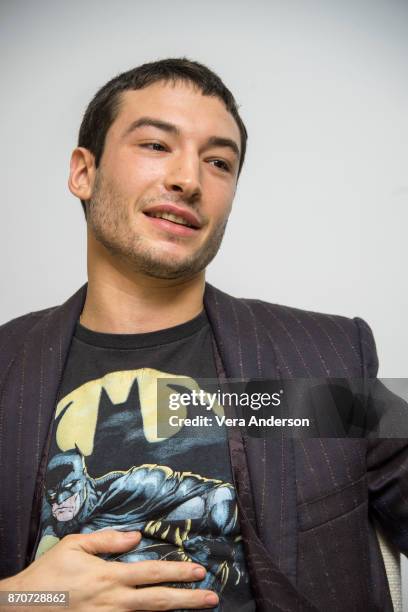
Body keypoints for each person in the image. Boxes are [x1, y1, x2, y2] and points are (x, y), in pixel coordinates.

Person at [0, 58, 406, 612]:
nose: (188, 180)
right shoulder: (7, 368)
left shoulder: (318, 360)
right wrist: (26, 598)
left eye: (218, 161)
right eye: (155, 146)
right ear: (83, 173)